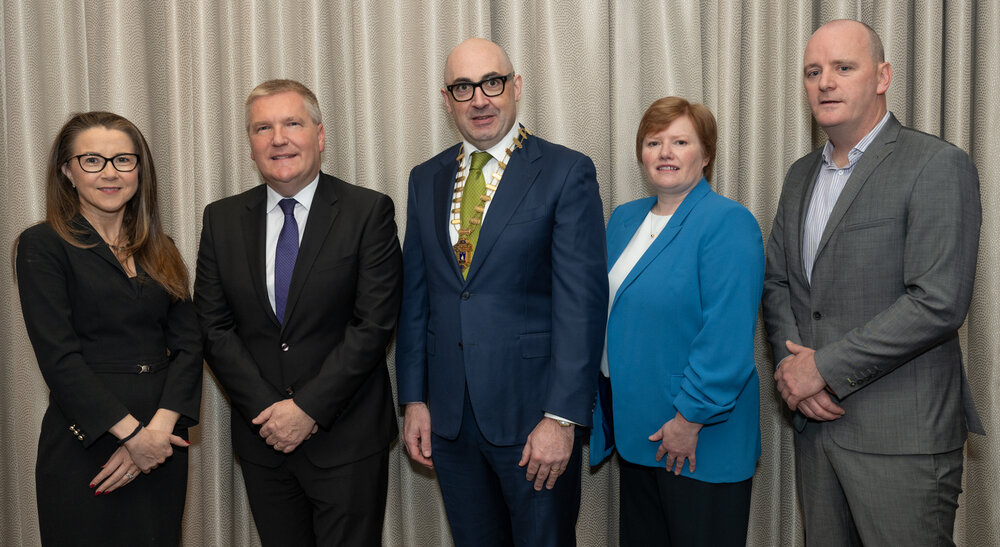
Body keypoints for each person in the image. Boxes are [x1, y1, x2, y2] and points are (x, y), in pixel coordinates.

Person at [763, 19, 982, 546]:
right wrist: (796, 372)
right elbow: (778, 284)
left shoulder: (936, 164)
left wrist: (825, 369)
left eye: (843, 68)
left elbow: (937, 303)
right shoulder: (798, 175)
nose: (825, 83)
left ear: (882, 76)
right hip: (818, 435)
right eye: (813, 71)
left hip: (902, 440)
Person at [395, 38, 607, 546]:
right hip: (449, 419)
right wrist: (415, 400)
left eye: (491, 83)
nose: (479, 100)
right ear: (446, 100)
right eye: (463, 88)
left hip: (533, 418)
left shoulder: (565, 171)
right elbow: (416, 299)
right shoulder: (425, 179)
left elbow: (582, 306)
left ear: (515, 87)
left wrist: (561, 418)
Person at [194, 79, 402, 546]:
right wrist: (270, 410)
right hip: (263, 440)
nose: (278, 138)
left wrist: (307, 408)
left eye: (292, 123)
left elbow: (374, 325)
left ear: (320, 136)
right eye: (262, 128)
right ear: (250, 145)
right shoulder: (220, 219)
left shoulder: (367, 211)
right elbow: (213, 325)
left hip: (346, 438)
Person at [14, 111, 203, 545]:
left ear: (140, 169)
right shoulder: (42, 246)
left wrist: (156, 434)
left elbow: (190, 346)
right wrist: (132, 436)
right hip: (88, 445)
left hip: (162, 443)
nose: (109, 173)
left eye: (123, 160)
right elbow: (59, 358)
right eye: (92, 161)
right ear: (67, 171)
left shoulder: (162, 248)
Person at [589, 97, 764, 546]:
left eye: (680, 141)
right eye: (653, 142)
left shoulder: (728, 222)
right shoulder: (624, 219)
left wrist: (690, 419)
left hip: (697, 438)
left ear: (705, 155)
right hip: (638, 431)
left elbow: (726, 339)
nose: (665, 152)